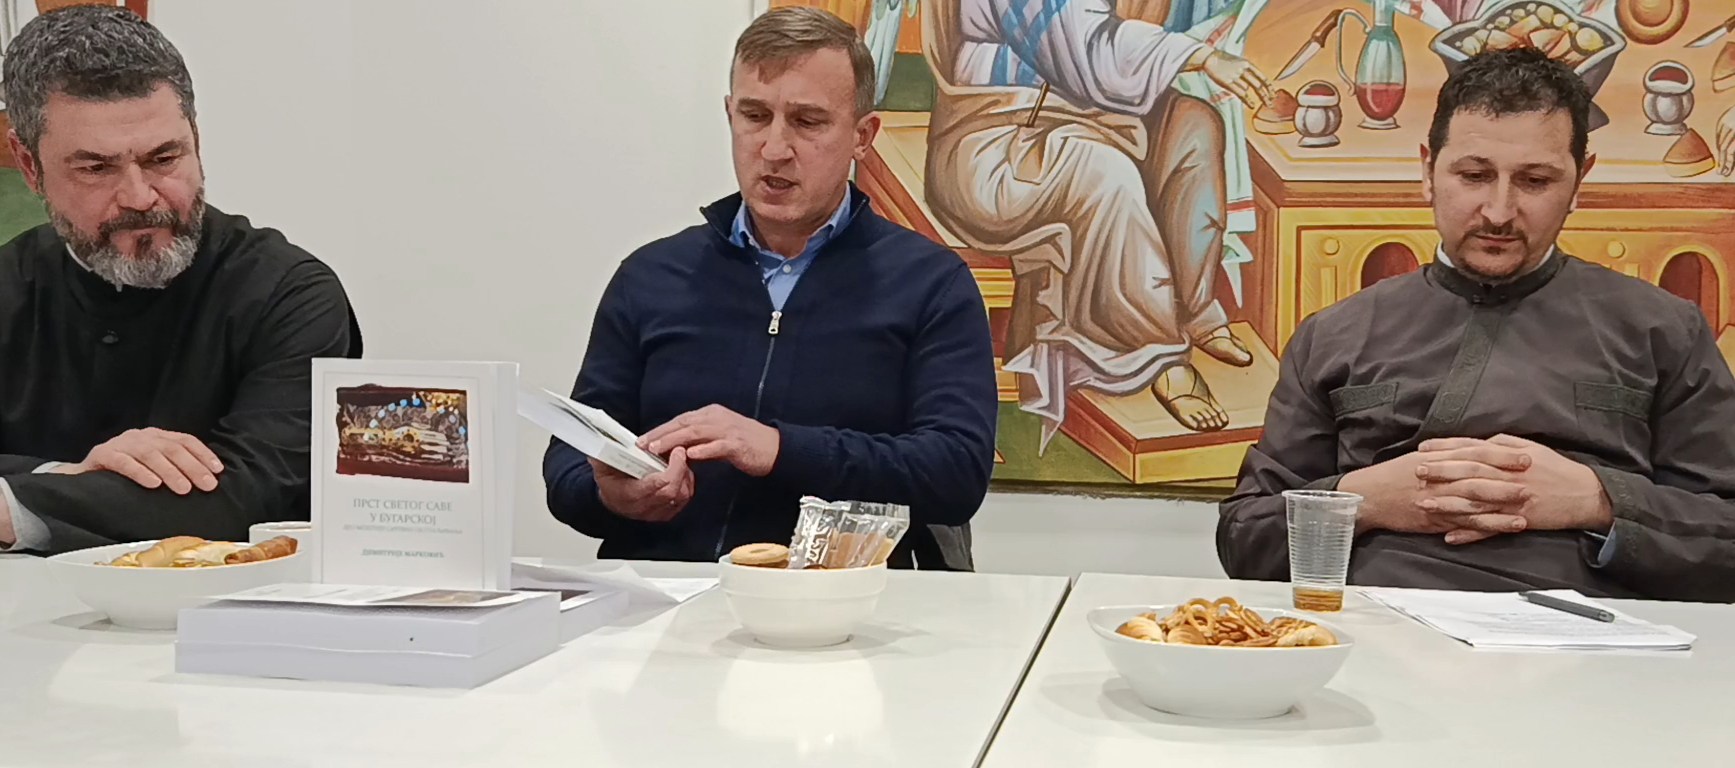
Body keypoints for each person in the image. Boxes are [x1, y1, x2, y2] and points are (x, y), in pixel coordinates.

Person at [1218, 47, 1735, 603]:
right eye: (1473, 175)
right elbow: (1246, 540)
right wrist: (1360, 501)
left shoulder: (1662, 329)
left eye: (1535, 180)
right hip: (1379, 627)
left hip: (1591, 633)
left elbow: (1725, 539)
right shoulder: (1334, 335)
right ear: (1428, 171)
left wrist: (1600, 501)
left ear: (1579, 182)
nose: (1498, 211)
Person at [542, 7, 998, 570]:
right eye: (755, 116)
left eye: (807, 122)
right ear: (729, 114)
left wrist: (779, 449)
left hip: (842, 603)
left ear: (862, 136)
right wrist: (609, 495)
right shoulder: (651, 276)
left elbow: (955, 472)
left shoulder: (931, 285)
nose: (775, 148)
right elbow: (569, 457)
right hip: (665, 598)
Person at [0, 6, 361, 556]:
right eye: (96, 169)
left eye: (163, 157)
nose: (140, 197)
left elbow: (250, 497)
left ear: (196, 139)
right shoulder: (7, 286)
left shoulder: (289, 295)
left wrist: (20, 500)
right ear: (31, 168)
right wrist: (67, 474)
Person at [921, 0, 1272, 438]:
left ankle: (1193, 309)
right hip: (997, 141)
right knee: (1106, 172)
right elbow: (1086, 52)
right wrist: (1202, 56)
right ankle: (1153, 350)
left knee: (1193, 124)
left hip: (1092, 117)